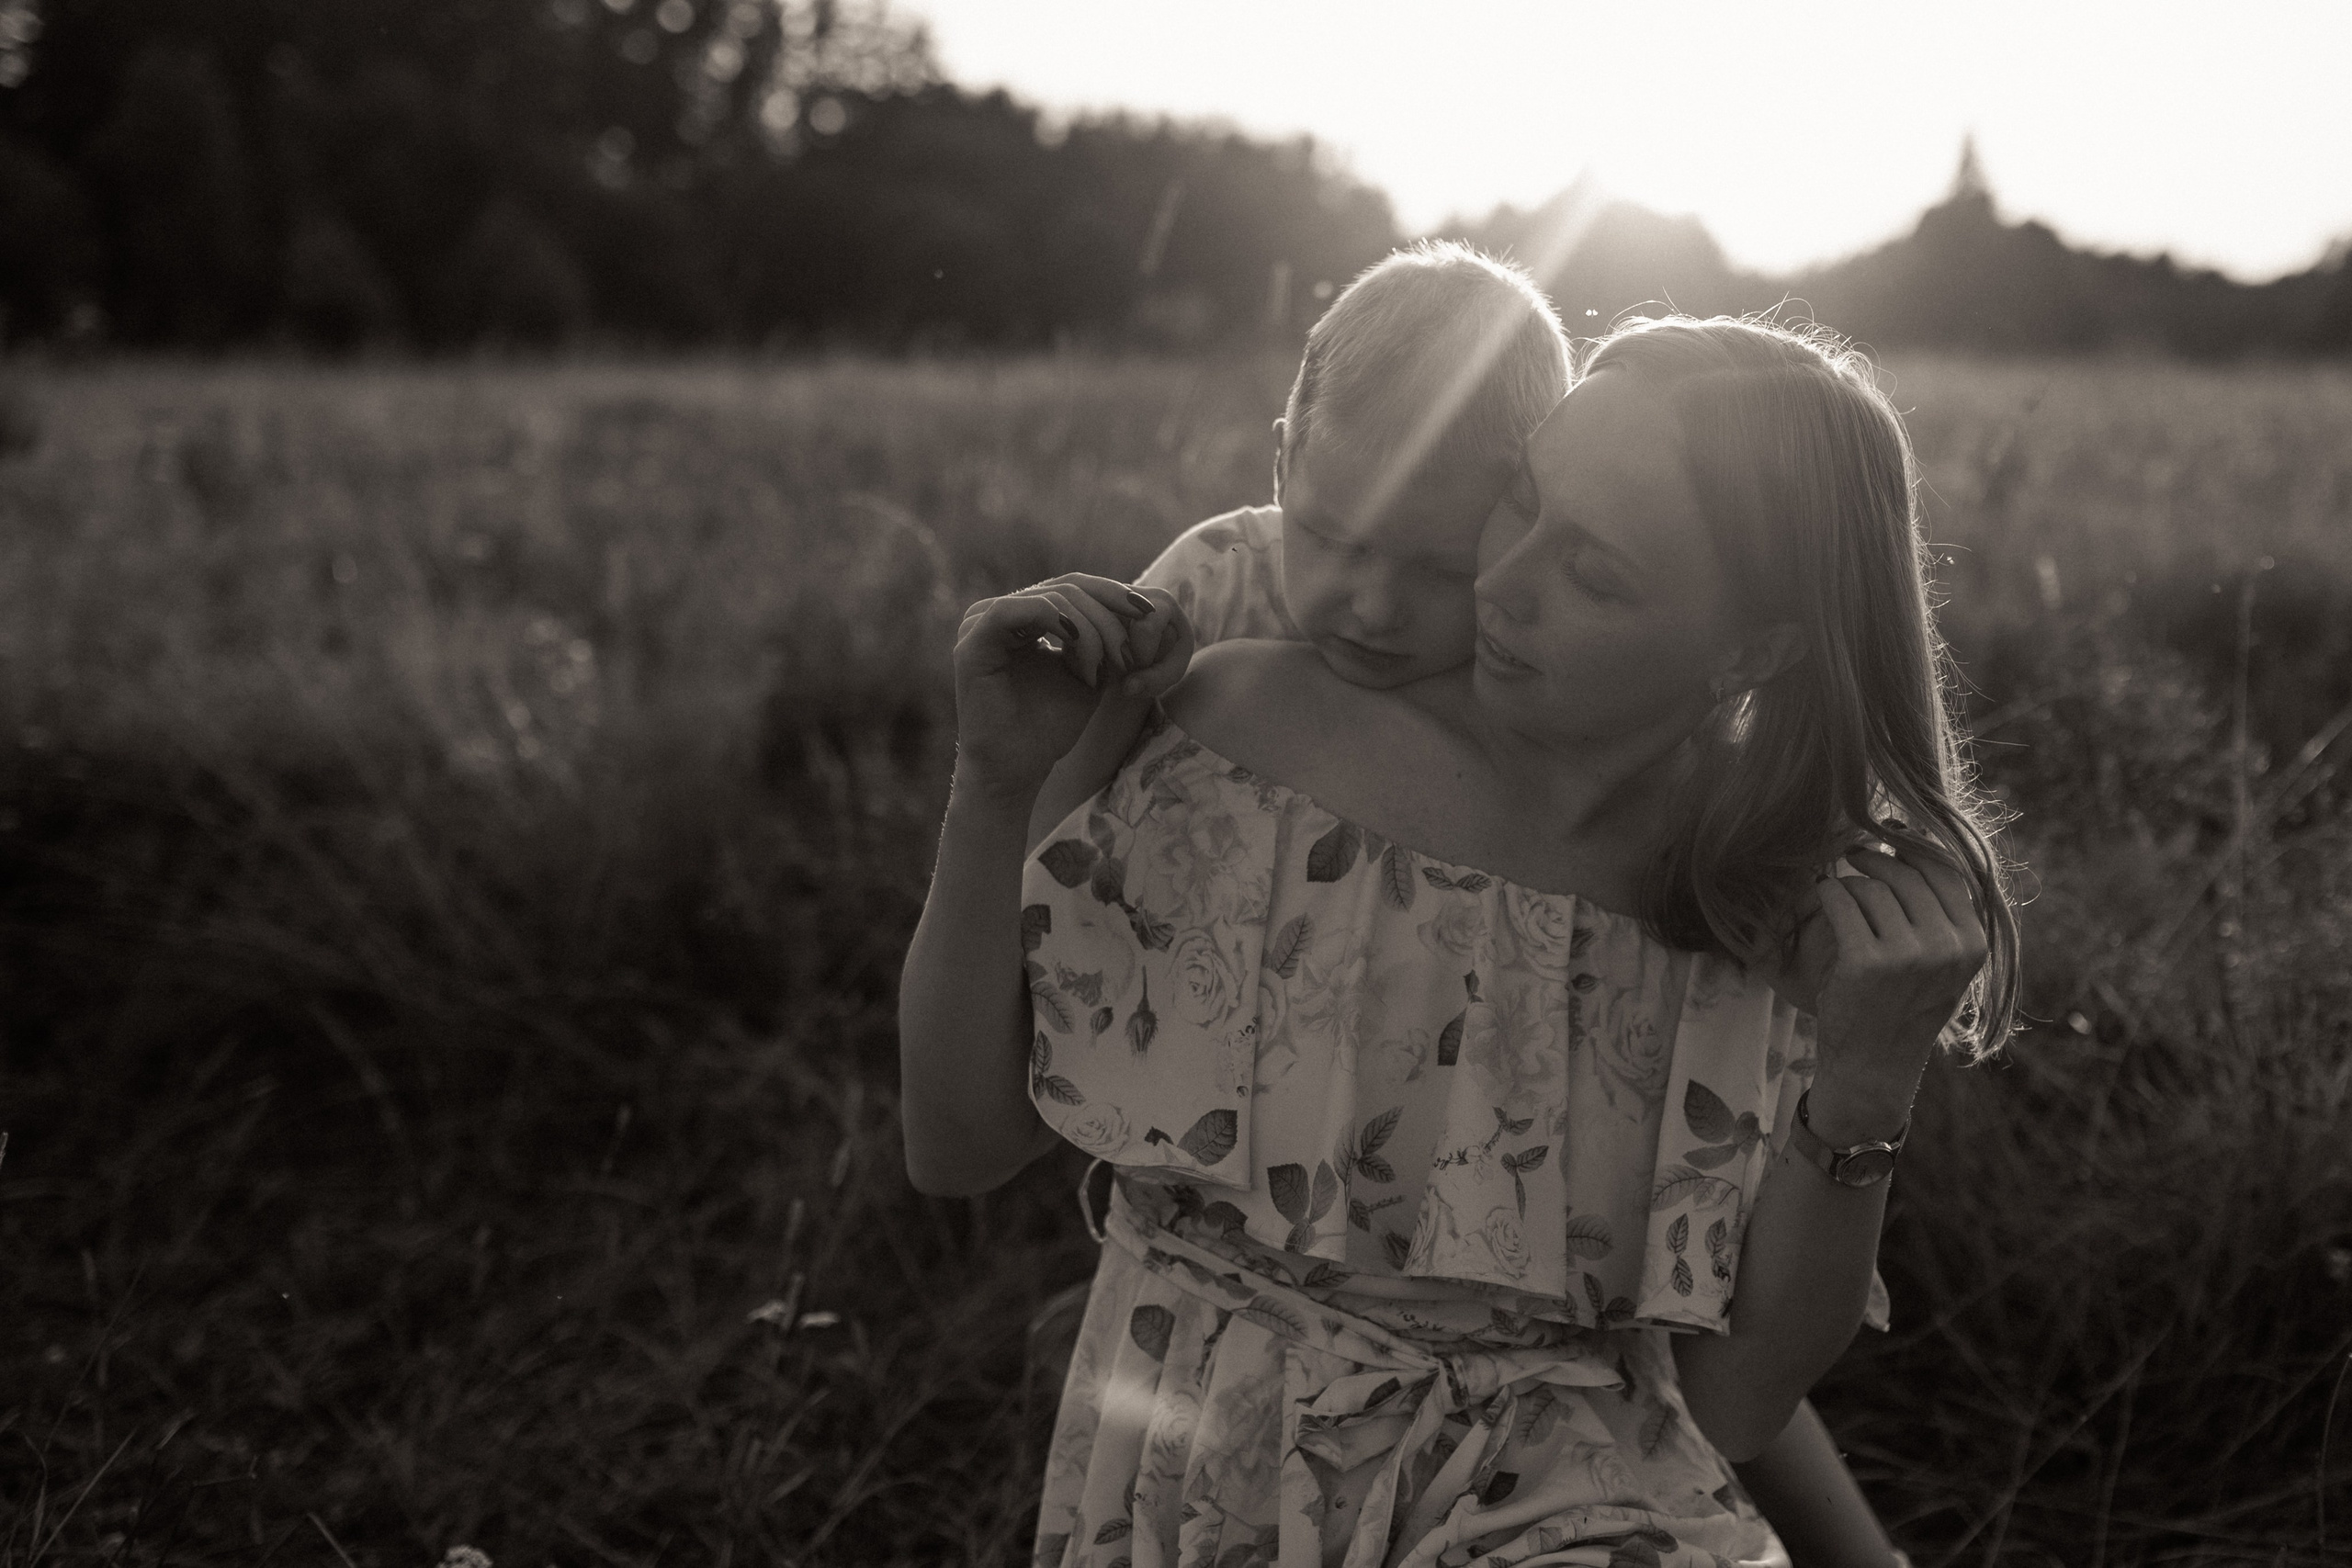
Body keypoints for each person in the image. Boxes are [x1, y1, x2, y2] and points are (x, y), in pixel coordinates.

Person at [901, 312, 2012, 1566]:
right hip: (1214, 1463)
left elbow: (1741, 1403)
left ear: (1751, 648)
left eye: (1594, 574)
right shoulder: (1242, 735)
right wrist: (991, 792)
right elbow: (958, 1146)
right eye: (1519, 503)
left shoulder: (1761, 897)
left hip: (1575, 1487)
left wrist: (1868, 1083)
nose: (1501, 583)